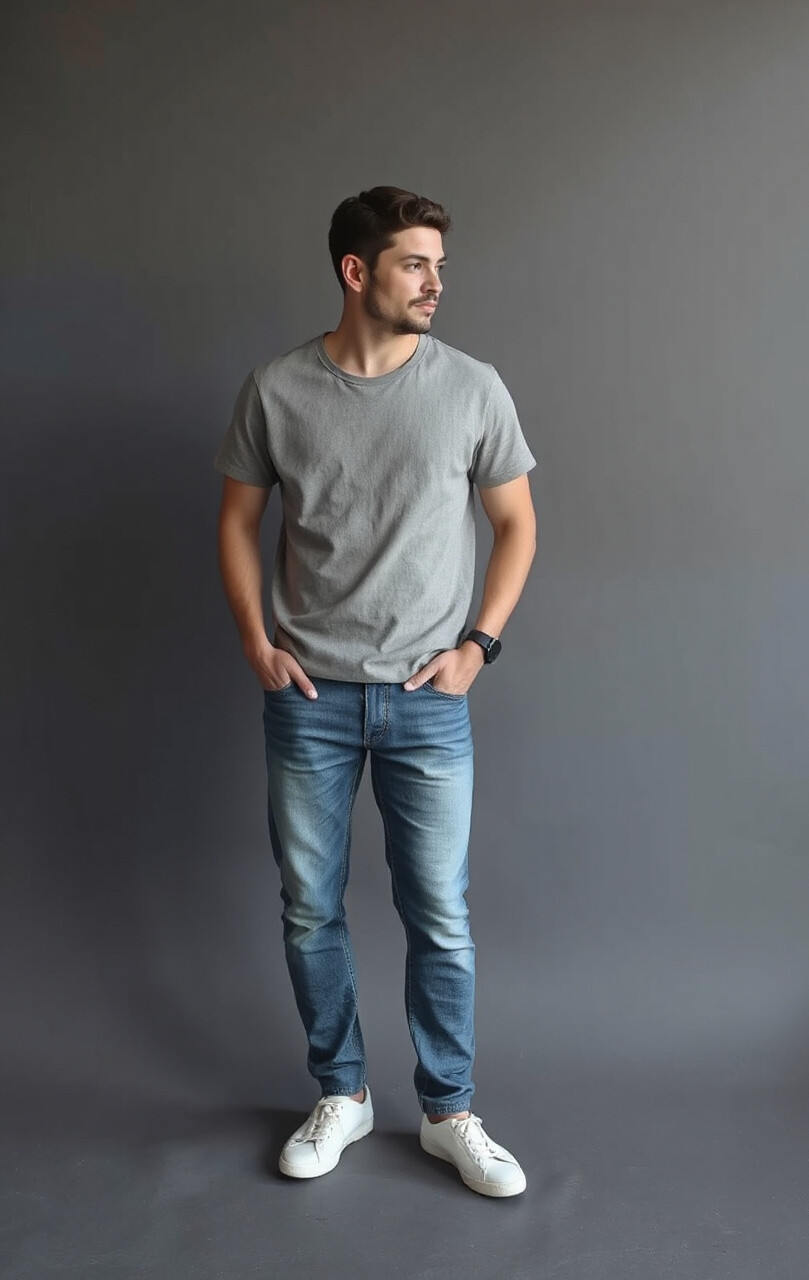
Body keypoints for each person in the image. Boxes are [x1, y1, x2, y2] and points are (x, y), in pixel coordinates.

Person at [213, 186, 537, 1198]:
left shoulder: (473, 387)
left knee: (439, 912)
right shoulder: (276, 389)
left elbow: (518, 523)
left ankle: (449, 1113)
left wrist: (479, 645)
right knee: (310, 909)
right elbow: (236, 521)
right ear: (356, 272)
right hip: (309, 697)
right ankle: (342, 1094)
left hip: (428, 699)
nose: (436, 282)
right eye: (414, 263)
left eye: (440, 264)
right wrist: (257, 641)